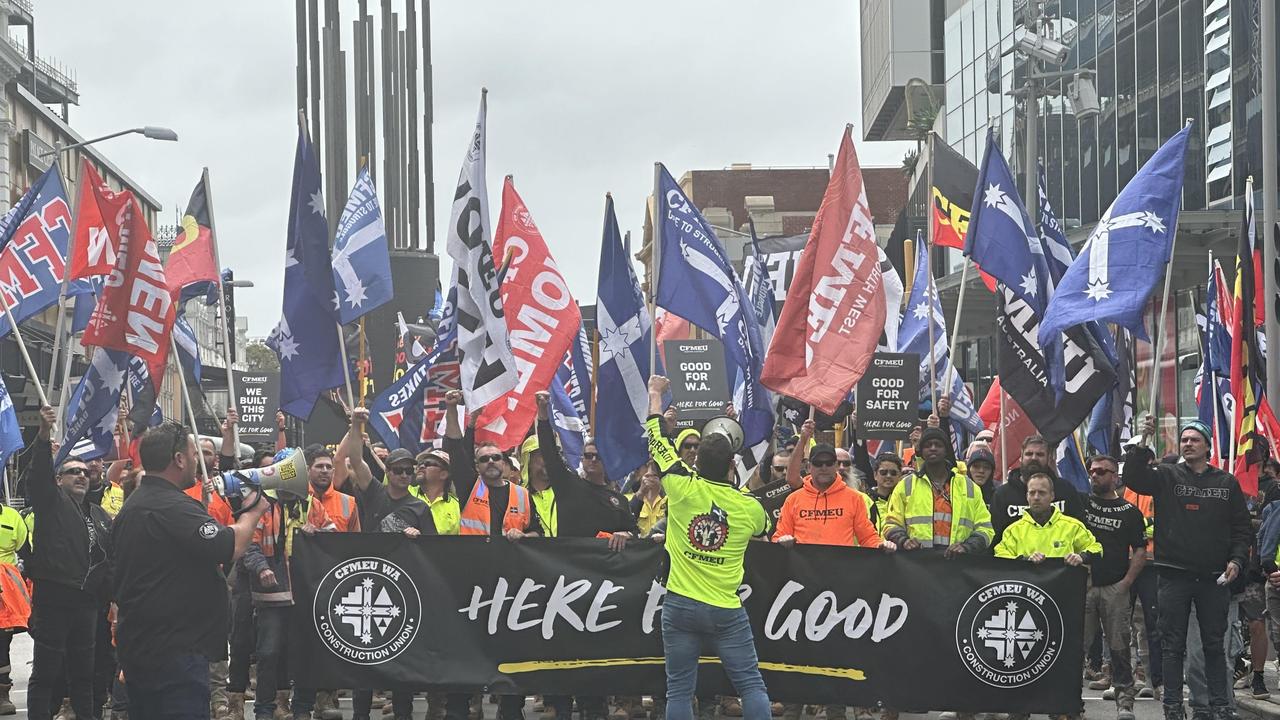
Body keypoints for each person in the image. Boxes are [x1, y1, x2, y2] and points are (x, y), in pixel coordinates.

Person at [112, 420, 272, 718]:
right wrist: (255, 510)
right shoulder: (171, 507)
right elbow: (230, 545)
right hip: (174, 653)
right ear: (178, 459)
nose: (197, 460)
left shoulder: (135, 506)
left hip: (145, 647)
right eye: (193, 452)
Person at [646, 375, 771, 720]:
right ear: (732, 465)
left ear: (696, 462)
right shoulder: (749, 507)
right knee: (751, 686)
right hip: (725, 609)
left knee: (680, 690)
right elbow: (766, 528)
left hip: (681, 604)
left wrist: (656, 395)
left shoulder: (681, 487)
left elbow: (656, 441)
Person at [1124, 416, 1251, 720]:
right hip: (1173, 575)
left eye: (1195, 439)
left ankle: (1219, 706)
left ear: (1208, 447)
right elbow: (1133, 478)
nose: (1188, 444)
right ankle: (1172, 707)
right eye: (1184, 440)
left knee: (1213, 645)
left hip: (1213, 579)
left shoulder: (1226, 482)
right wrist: (1143, 441)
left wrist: (1236, 560)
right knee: (1172, 645)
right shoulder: (1166, 475)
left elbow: (1242, 529)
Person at [773, 441, 894, 720]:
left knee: (836, 653)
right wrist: (783, 541)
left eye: (830, 463)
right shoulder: (793, 499)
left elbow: (867, 535)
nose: (825, 468)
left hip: (840, 590)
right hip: (801, 589)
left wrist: (881, 545)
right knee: (799, 652)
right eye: (819, 463)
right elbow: (778, 535)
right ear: (809, 466)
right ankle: (794, 708)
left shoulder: (852, 498)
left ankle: (835, 710)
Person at [443, 390, 542, 720]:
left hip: (511, 588)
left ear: (505, 463)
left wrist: (524, 534)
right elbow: (455, 450)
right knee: (466, 653)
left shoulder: (523, 496)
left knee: (509, 652)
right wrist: (458, 412)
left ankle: (510, 709)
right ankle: (460, 709)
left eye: (495, 458)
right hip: (472, 585)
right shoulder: (471, 487)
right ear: (477, 467)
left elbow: (540, 535)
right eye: (484, 459)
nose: (490, 463)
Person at [343, 409, 438, 720]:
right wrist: (357, 425)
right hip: (370, 584)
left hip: (403, 591)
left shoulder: (419, 508)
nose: (402, 475)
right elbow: (355, 461)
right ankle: (360, 714)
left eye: (408, 471)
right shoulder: (375, 494)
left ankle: (403, 713)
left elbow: (434, 549)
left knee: (402, 658)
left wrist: (418, 537)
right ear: (389, 471)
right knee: (364, 655)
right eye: (397, 469)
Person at [24, 406, 113, 720]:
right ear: (58, 479)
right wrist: (44, 436)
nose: (80, 476)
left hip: (87, 603)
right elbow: (37, 477)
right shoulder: (50, 503)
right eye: (72, 471)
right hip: (55, 598)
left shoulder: (97, 514)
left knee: (83, 675)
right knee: (46, 673)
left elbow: (109, 559)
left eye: (84, 472)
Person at [1080, 455, 1148, 720]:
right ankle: (1071, 702)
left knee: (1120, 647)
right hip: (1083, 585)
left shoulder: (1130, 512)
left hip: (1115, 587)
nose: (1095, 475)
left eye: (1101, 471)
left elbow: (1140, 551)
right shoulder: (1081, 504)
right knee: (1077, 646)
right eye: (1092, 471)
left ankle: (1124, 702)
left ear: (1115, 476)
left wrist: (1126, 584)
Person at [883, 427, 993, 556]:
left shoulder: (969, 486)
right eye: (928, 445)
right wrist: (904, 541)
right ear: (921, 451)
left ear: (946, 450)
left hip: (957, 565)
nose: (933, 448)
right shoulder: (905, 485)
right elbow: (890, 524)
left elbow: (985, 529)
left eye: (938, 445)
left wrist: (967, 547)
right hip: (918, 564)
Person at [991, 435, 1086, 544]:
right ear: (1021, 458)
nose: (1034, 458)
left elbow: (1081, 529)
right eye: (1029, 454)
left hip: (1060, 558)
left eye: (1040, 454)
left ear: (1049, 458)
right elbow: (995, 537)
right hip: (1017, 559)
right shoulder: (1002, 495)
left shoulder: (1065, 490)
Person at [0, 494, 28, 715]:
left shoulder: (12, 515)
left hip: (5, 592)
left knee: (2, 641)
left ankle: (2, 693)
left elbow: (22, 546)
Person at [414, 448, 460, 536]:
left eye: (428, 464)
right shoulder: (406, 492)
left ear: (443, 474)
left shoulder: (457, 506)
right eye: (420, 464)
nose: (422, 466)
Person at [867, 453, 903, 535]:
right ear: (875, 475)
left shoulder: (906, 499)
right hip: (873, 546)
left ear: (900, 475)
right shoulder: (865, 500)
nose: (888, 476)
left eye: (893, 472)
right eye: (883, 472)